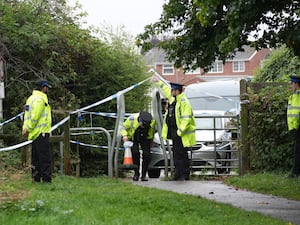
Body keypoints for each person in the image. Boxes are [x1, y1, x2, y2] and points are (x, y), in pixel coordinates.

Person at [152, 76, 196, 181]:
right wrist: (158, 82)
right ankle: (179, 174)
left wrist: (179, 132)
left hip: (181, 133)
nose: (171, 91)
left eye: (173, 90)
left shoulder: (184, 102)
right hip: (175, 132)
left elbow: (186, 119)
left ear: (177, 91)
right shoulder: (174, 99)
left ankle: (182, 175)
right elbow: (166, 90)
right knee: (177, 153)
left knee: (181, 154)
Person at [22, 79, 52, 183]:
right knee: (44, 157)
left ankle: (36, 178)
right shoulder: (40, 99)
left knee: (35, 158)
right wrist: (29, 128)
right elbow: (35, 117)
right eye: (46, 87)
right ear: (43, 87)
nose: (47, 89)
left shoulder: (31, 99)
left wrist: (25, 129)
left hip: (34, 133)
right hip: (41, 132)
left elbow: (27, 116)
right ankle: (46, 179)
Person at [121, 111, 156, 181]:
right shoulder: (132, 119)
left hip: (146, 138)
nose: (143, 126)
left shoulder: (152, 121)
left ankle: (143, 175)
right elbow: (123, 127)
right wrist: (124, 135)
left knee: (147, 155)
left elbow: (153, 131)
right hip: (134, 138)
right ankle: (136, 173)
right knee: (135, 153)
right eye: (142, 124)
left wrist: (151, 140)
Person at [287, 75, 300, 178]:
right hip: (296, 127)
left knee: (298, 151)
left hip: (298, 126)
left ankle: (295, 173)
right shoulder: (294, 95)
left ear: (296, 84)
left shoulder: (298, 96)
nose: (290, 85)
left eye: (292, 83)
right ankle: (295, 172)